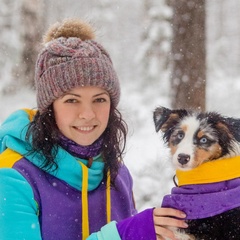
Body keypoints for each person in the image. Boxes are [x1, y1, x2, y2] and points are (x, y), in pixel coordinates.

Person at [0, 18, 187, 240]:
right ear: (49, 108)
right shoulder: (13, 177)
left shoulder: (116, 172)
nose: (88, 113)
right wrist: (122, 234)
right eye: (72, 100)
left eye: (99, 99)